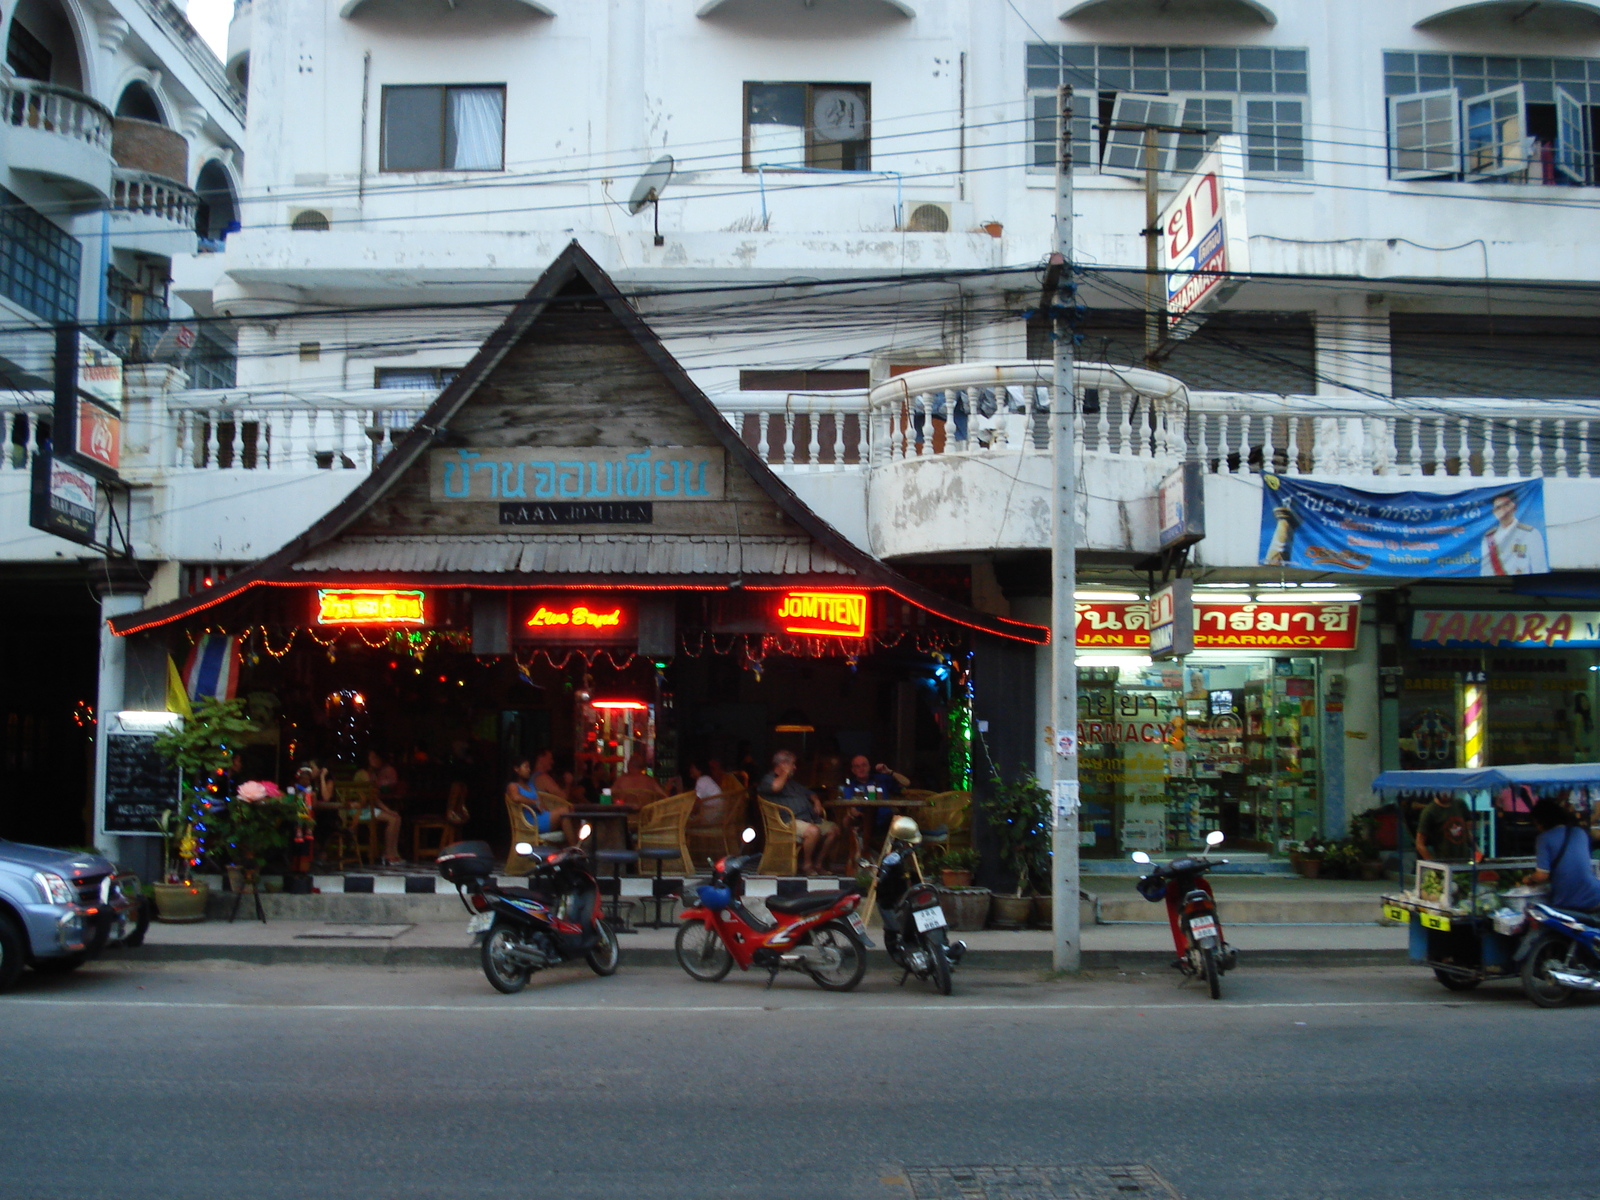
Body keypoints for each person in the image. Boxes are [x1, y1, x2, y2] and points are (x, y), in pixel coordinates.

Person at [758, 749, 839, 875]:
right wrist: (784, 773)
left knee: (833, 830)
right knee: (813, 831)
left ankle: (818, 863)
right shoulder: (768, 779)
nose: (795, 767)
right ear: (783, 764)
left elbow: (810, 793)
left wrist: (816, 802)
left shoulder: (792, 783)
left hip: (808, 819)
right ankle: (807, 865)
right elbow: (775, 787)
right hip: (787, 822)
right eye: (792, 764)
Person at [1526, 797, 1600, 913]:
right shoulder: (1580, 832)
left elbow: (1542, 875)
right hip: (1596, 893)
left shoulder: (1544, 838)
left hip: (1570, 901)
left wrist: (1529, 878)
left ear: (1541, 821)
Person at [351, 750, 405, 865]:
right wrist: (388, 810)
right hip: (359, 810)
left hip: (367, 808)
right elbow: (372, 798)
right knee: (393, 818)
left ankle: (393, 852)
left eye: (376, 757)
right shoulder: (363, 774)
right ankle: (388, 854)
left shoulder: (372, 774)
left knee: (397, 818)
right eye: (372, 758)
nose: (376, 760)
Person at [1480, 490, 1548, 576]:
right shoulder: (1489, 537)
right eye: (1498, 507)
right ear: (1494, 512)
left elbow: (1539, 568)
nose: (1503, 510)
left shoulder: (1530, 533)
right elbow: (1486, 571)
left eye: (1506, 505)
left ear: (1515, 507)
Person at [1415, 791, 1475, 863]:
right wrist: (1434, 865)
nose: (1446, 794)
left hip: (1465, 860)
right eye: (1443, 791)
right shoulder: (1429, 811)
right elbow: (1420, 844)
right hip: (1444, 861)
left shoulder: (1460, 804)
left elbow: (1467, 832)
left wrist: (1477, 851)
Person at [506, 758, 557, 837]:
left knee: (567, 815)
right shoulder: (513, 785)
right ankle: (574, 846)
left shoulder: (530, 785)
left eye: (529, 767)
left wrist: (549, 812)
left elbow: (541, 803)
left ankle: (574, 846)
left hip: (541, 816)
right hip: (531, 822)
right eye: (526, 767)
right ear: (516, 769)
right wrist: (534, 803)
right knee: (565, 812)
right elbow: (515, 797)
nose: (529, 770)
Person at [689, 759, 725, 826]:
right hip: (718, 815)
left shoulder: (701, 781)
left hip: (711, 816)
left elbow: (696, 803)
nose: (690, 770)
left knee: (686, 821)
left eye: (692, 768)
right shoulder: (707, 779)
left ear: (699, 769)